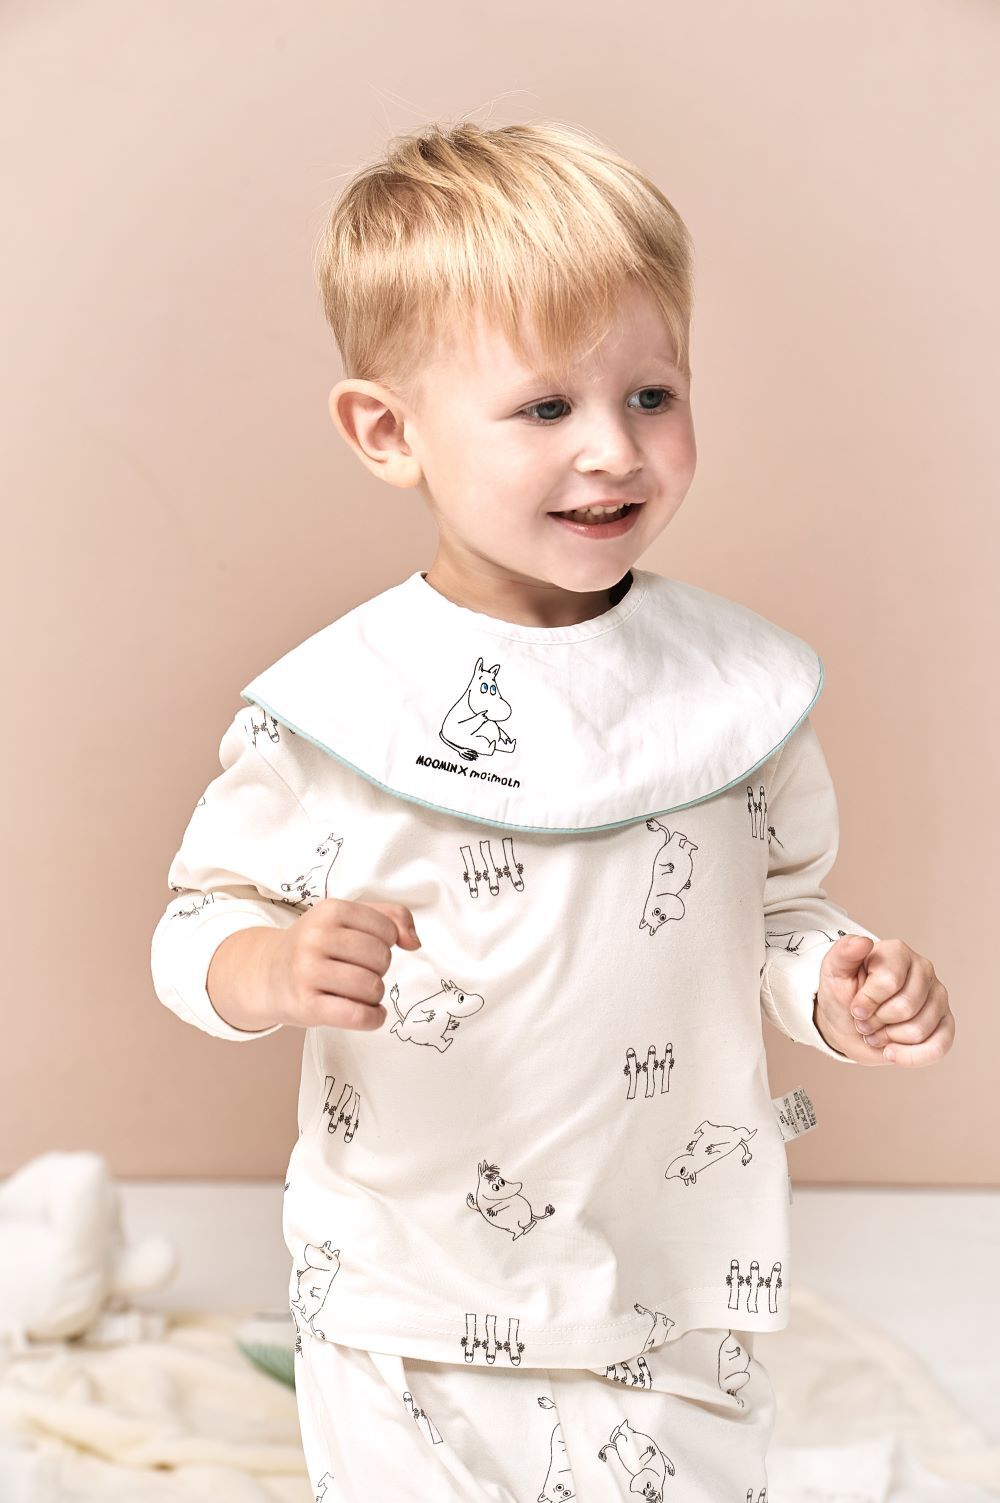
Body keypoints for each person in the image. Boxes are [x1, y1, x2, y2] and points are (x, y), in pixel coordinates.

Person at [150, 118, 955, 1502]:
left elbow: (774, 913)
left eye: (651, 394)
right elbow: (192, 929)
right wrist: (269, 965)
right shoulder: (341, 709)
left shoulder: (736, 692)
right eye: (544, 409)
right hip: (409, 1286)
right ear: (389, 431)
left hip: (669, 1274)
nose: (612, 451)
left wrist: (837, 985)